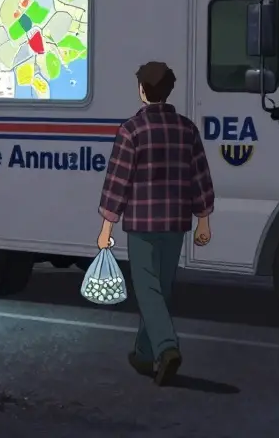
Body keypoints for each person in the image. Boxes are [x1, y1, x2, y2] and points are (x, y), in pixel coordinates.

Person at [96, 61, 215, 386]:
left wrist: (106, 227)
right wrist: (203, 218)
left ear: (142, 91)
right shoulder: (187, 130)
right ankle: (144, 354)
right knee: (160, 289)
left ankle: (166, 347)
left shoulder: (132, 131)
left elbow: (118, 182)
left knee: (148, 290)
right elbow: (200, 177)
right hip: (176, 223)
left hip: (143, 224)